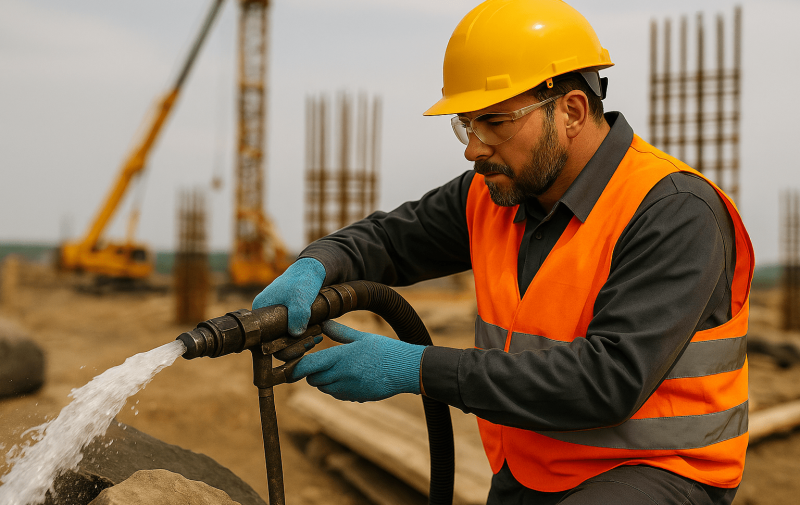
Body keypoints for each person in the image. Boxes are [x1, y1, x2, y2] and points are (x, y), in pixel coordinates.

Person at [254, 1, 754, 503]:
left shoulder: (672, 210)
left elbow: (609, 380)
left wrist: (418, 368)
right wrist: (316, 263)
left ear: (572, 111)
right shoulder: (495, 192)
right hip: (532, 466)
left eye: (494, 121)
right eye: (467, 124)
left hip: (657, 472)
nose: (473, 147)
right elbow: (387, 240)